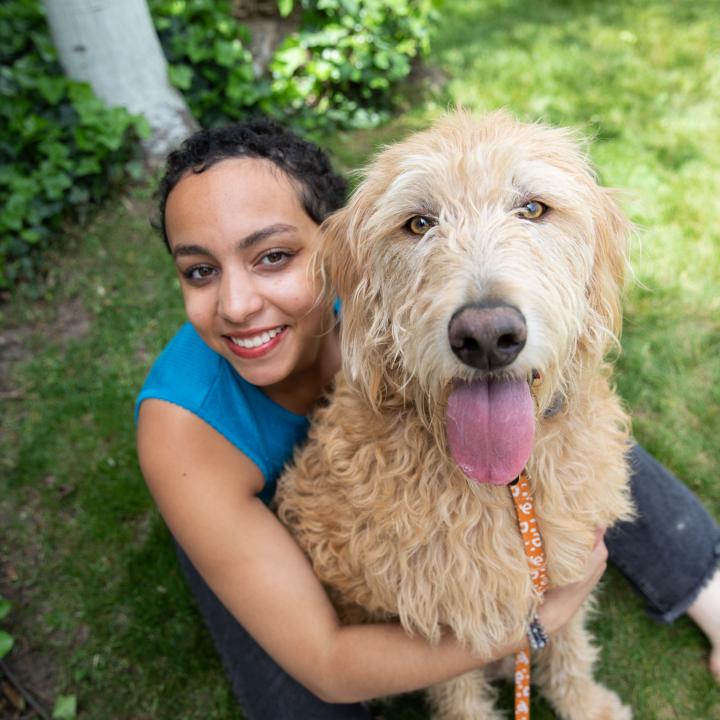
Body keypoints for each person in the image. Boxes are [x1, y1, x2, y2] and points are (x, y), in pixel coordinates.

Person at [135, 118, 720, 718]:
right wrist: (538, 623)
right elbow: (330, 663)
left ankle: (709, 592)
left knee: (564, 408)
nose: (237, 305)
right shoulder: (181, 429)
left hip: (460, 421)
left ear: (334, 253)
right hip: (250, 529)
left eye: (275, 256)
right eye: (200, 270)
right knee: (306, 698)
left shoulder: (361, 281)